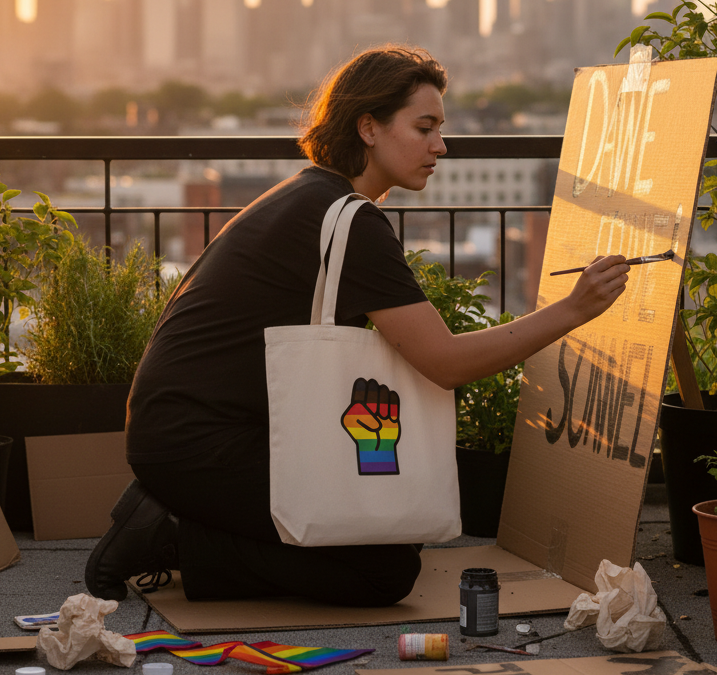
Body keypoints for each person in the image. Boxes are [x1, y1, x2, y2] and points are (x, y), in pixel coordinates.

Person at [85, 45, 629, 607]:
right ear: (368, 127)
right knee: (384, 573)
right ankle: (168, 534)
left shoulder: (312, 195)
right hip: (201, 447)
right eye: (424, 127)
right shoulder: (348, 221)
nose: (440, 146)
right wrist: (574, 308)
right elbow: (445, 364)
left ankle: (178, 525)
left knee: (391, 533)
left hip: (193, 432)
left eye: (440, 128)